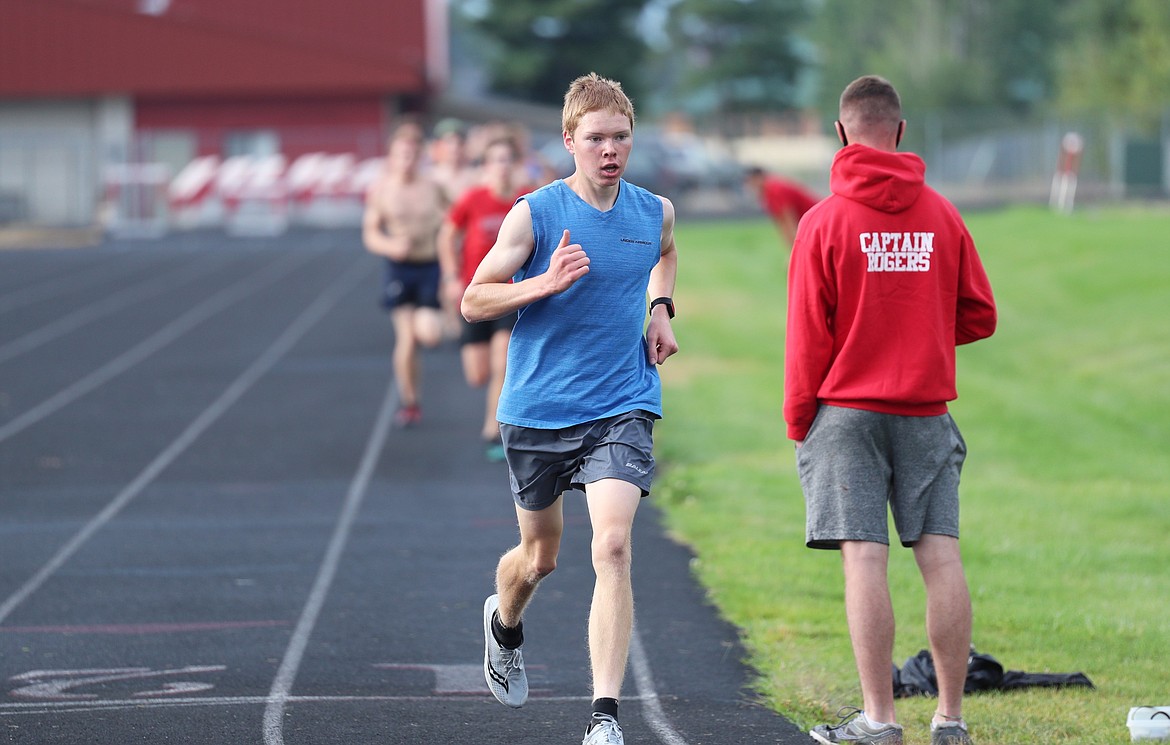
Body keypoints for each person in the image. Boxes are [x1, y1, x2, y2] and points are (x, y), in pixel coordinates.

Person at [462, 72, 679, 745]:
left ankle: (604, 716)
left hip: (621, 401)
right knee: (540, 557)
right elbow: (474, 299)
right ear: (569, 140)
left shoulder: (655, 212)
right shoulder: (535, 213)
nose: (609, 150)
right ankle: (505, 623)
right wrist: (543, 283)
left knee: (611, 544)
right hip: (538, 407)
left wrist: (660, 308)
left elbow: (665, 255)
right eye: (596, 139)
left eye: (620, 137)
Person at [784, 75, 996, 745]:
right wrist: (921, 331)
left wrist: (800, 421)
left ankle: (879, 718)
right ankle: (951, 717)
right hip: (926, 411)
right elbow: (980, 315)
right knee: (941, 558)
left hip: (846, 412)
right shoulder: (943, 214)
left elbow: (805, 338)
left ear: (841, 132)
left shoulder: (822, 221)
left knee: (864, 561)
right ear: (900, 132)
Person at [437, 136, 531, 461]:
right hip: (474, 293)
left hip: (509, 293)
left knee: (501, 363)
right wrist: (451, 277)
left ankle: (493, 429)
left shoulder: (527, 199)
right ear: (487, 166)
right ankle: (494, 415)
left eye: (508, 159)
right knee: (477, 375)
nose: (502, 166)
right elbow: (447, 235)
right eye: (496, 160)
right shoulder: (472, 199)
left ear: (515, 164)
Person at [363, 120, 447, 427]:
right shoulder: (382, 190)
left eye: (413, 154)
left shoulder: (433, 187)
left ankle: (412, 394)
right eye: (401, 154)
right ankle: (410, 401)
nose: (407, 161)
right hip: (399, 267)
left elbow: (456, 218)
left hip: (430, 264)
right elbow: (370, 234)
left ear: (420, 155)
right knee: (407, 338)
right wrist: (389, 245)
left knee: (430, 335)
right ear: (392, 156)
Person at [744, 166, 820, 248]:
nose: (750, 186)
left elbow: (789, 220)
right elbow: (781, 222)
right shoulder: (767, 191)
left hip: (816, 221)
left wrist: (795, 249)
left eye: (751, 181)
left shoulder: (775, 188)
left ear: (758, 178)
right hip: (809, 223)